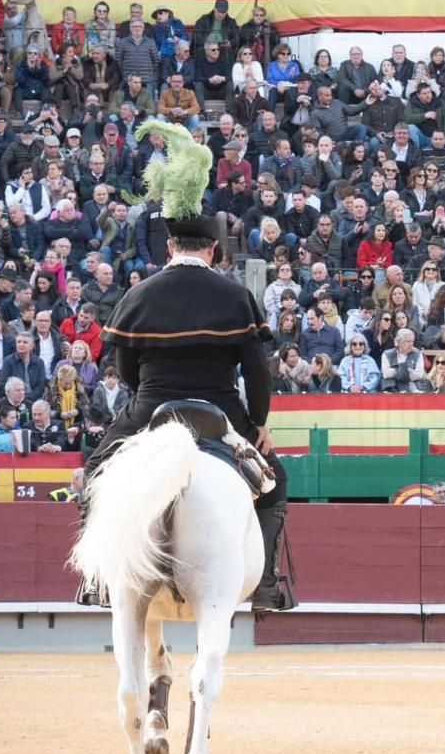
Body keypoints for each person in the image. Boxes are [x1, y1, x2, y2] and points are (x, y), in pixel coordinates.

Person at [82, 120, 295, 612]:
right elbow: (257, 370)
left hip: (153, 404)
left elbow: (125, 363)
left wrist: (142, 401)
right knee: (275, 483)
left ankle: (97, 582)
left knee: (96, 474)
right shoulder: (235, 294)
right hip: (220, 410)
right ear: (215, 250)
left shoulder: (139, 294)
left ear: (170, 248)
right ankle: (264, 585)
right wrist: (258, 423)